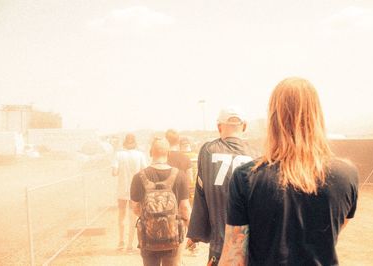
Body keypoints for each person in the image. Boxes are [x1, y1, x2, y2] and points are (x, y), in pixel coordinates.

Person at [219, 77, 359, 266]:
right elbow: (335, 229)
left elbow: (233, 258)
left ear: (273, 118)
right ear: (317, 116)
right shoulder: (346, 175)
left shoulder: (246, 178)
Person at [186, 107, 255, 265]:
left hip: (221, 248)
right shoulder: (257, 153)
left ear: (219, 127)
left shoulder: (208, 151)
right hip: (251, 249)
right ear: (244, 126)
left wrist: (196, 233)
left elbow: (201, 193)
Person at [130, 138, 191, 266]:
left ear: (150, 152)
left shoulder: (138, 177)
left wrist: (151, 218)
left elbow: (135, 207)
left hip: (148, 235)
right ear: (168, 154)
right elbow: (185, 208)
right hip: (173, 234)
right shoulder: (180, 176)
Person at [112, 133, 147, 251]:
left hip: (122, 190)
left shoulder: (118, 155)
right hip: (135, 191)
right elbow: (144, 172)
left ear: (125, 143)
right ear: (135, 143)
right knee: (133, 218)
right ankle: (130, 245)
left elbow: (114, 172)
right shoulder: (140, 155)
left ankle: (121, 241)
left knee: (121, 217)